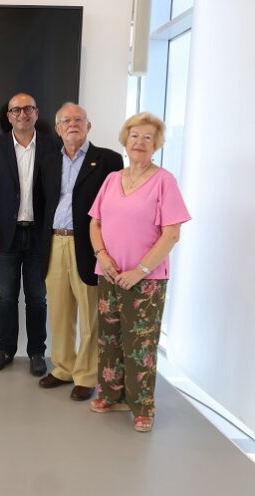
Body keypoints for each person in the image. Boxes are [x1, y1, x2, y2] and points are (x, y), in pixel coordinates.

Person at [88, 112, 190, 432]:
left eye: (148, 138)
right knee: (109, 339)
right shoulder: (111, 179)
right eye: (135, 136)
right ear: (126, 140)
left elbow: (172, 234)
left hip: (146, 280)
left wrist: (140, 270)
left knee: (140, 345)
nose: (140, 143)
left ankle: (142, 407)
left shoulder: (164, 181)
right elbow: (95, 223)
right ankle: (109, 393)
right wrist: (101, 255)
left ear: (156, 144)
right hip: (109, 273)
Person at [37, 103, 123, 401]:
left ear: (89, 126)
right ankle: (63, 368)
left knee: (90, 314)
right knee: (59, 312)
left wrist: (107, 249)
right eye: (65, 120)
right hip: (55, 243)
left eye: (78, 119)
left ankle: (86, 375)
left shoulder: (109, 159)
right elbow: (43, 205)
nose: (72, 124)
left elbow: (116, 207)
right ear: (58, 129)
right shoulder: (49, 161)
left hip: (89, 245)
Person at [0, 93, 59, 376]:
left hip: (40, 237)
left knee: (37, 297)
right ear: (8, 116)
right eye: (16, 110)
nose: (23, 114)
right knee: (7, 296)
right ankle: (6, 349)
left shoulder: (53, 146)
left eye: (28, 109)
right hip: (4, 236)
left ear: (36, 113)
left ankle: (37, 353)